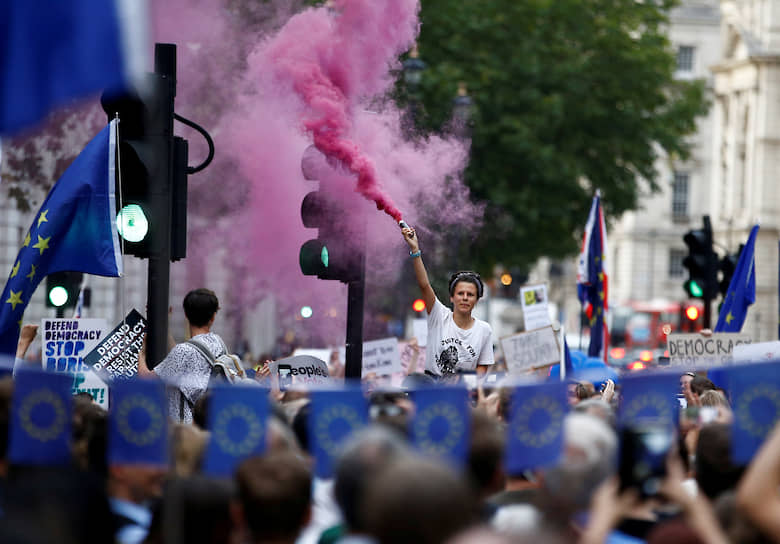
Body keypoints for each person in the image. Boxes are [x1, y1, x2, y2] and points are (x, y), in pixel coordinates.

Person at [401, 225, 494, 379]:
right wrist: (415, 250)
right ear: (452, 297)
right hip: (432, 387)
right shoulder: (439, 315)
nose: (465, 297)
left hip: (463, 392)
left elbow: (482, 369)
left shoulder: (484, 329)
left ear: (477, 300)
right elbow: (424, 286)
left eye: (470, 294)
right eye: (460, 293)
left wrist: (469, 388)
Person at [137, 288, 232, 423]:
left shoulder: (184, 352)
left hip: (184, 429)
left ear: (186, 315)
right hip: (209, 424)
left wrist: (140, 352)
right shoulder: (218, 343)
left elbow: (147, 379)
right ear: (213, 317)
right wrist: (165, 325)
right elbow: (182, 359)